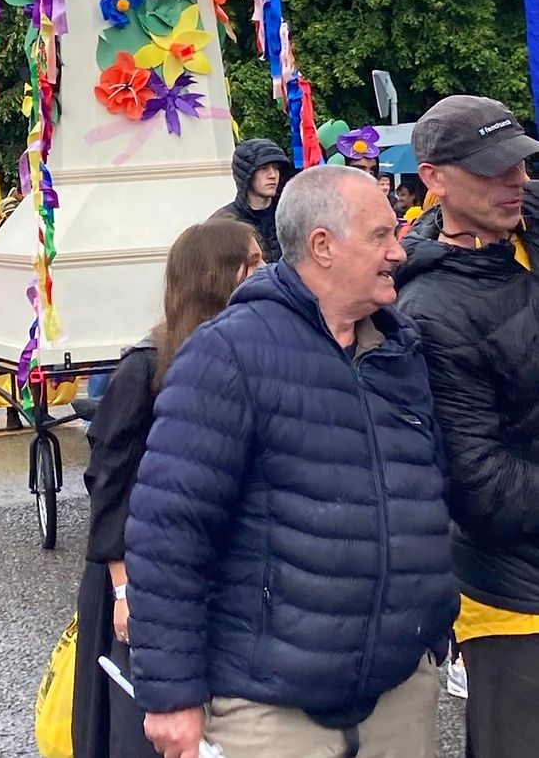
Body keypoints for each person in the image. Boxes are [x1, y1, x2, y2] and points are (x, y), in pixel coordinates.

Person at [125, 165, 457, 758]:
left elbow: (425, 493)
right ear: (322, 246)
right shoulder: (229, 352)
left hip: (400, 694)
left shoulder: (398, 349)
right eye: (381, 235)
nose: (399, 251)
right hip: (271, 712)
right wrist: (170, 694)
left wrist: (432, 629)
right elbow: (169, 530)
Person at [73, 218, 265, 758]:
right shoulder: (147, 366)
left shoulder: (247, 350)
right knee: (143, 727)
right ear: (216, 277)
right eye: (253, 262)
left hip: (204, 566)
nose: (266, 271)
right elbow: (109, 485)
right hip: (136, 574)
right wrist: (124, 589)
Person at [395, 95, 539, 758]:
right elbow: (480, 485)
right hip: (517, 598)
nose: (517, 180)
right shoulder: (429, 308)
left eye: (521, 162)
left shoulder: (530, 224)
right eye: (493, 169)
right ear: (435, 178)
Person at [213, 137, 292, 262]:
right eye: (263, 168)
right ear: (246, 174)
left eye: (276, 168)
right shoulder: (224, 223)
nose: (273, 175)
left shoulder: (291, 215)